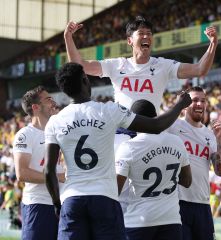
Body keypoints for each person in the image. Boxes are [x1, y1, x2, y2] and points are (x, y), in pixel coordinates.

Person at [43, 62, 191, 240]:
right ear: (85, 80)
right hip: (105, 197)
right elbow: (156, 125)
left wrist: (57, 203)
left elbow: (48, 170)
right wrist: (180, 105)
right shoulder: (109, 110)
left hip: (73, 198)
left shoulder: (55, 122)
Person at [64, 16, 217, 113]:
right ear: (129, 40)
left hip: (150, 132)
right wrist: (68, 37)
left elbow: (199, 69)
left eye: (149, 34)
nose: (146, 36)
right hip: (121, 134)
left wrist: (213, 44)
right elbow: (79, 66)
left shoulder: (163, 65)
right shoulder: (116, 65)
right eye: (141, 33)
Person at [116, 99, 192, 240]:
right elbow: (187, 181)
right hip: (171, 220)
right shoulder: (176, 141)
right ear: (155, 116)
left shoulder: (129, 147)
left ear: (134, 120)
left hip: (139, 221)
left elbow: (116, 189)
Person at [167, 86, 221, 240]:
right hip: (177, 202)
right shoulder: (173, 126)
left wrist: (220, 141)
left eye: (203, 101)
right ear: (185, 104)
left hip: (202, 203)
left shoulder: (210, 134)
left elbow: (220, 171)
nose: (199, 104)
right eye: (194, 100)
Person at [13, 86, 65, 240]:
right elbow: (21, 173)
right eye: (48, 99)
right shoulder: (25, 134)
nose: (54, 102)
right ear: (35, 107)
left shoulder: (59, 131)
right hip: (38, 205)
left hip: (63, 202)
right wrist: (57, 177)